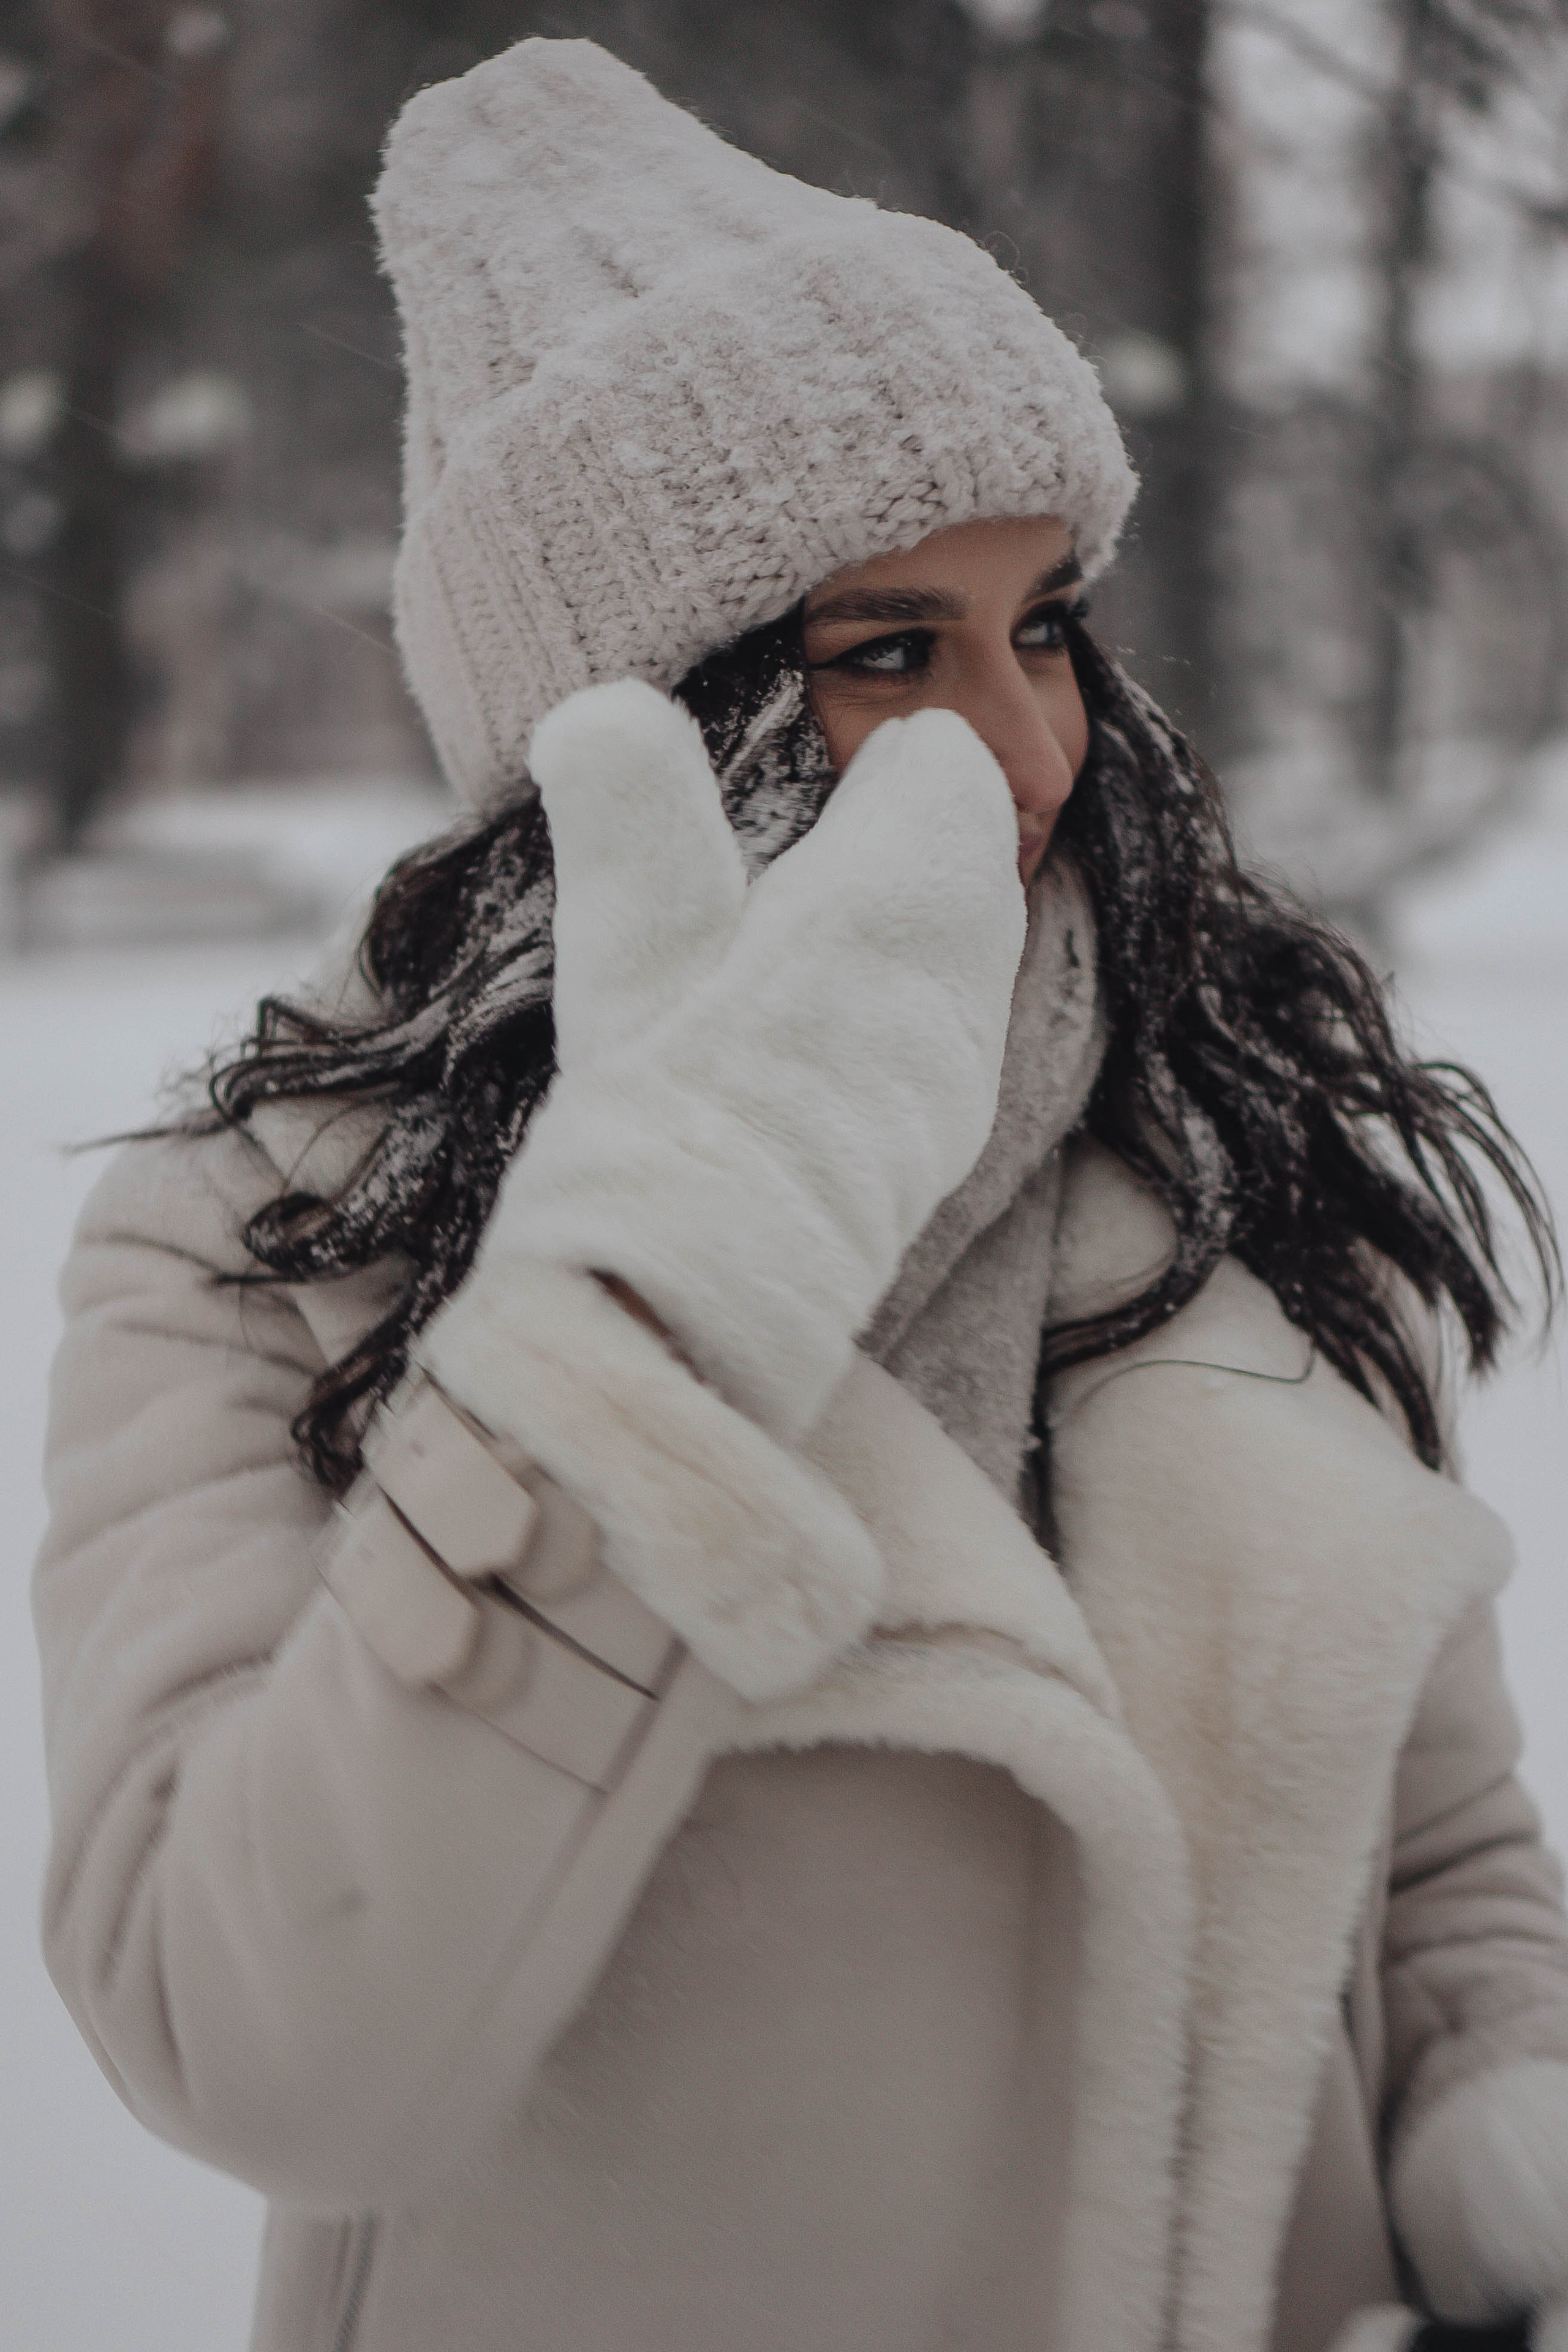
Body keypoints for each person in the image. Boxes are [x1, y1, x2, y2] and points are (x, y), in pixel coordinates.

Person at [31, 37, 1568, 2352]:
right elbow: (260, 2045)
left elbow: (1439, 1877)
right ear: (633, 724)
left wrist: (1504, 2154)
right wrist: (657, 1291)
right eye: (887, 652)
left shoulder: (1225, 1143)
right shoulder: (274, 1247)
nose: (1034, 752)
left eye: (1045, 620)